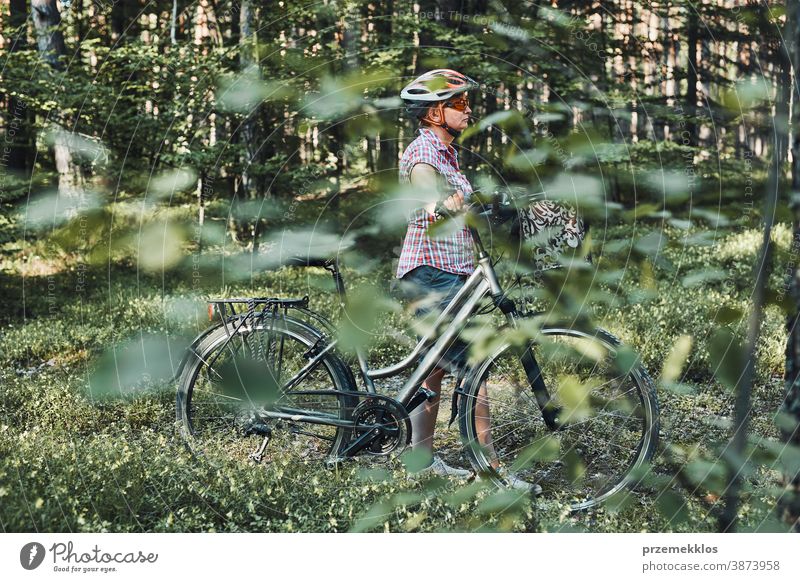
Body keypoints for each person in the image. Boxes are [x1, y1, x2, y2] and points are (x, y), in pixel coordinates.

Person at [396, 69, 539, 493]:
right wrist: (438, 200)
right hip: (430, 270)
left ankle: (419, 459)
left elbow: (463, 205)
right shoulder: (424, 151)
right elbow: (424, 187)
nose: (468, 108)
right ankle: (490, 469)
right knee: (476, 363)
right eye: (458, 103)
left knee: (435, 367)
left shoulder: (448, 153)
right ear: (436, 111)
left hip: (449, 268)